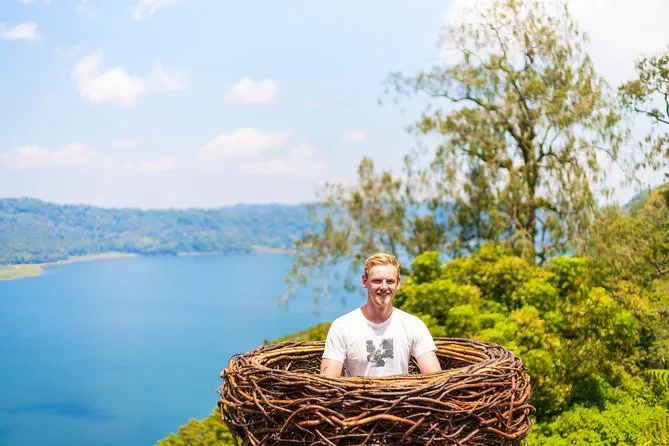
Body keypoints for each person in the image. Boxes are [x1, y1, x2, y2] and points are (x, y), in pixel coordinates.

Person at [320, 252, 442, 377]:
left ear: (398, 283)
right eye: (377, 281)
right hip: (357, 391)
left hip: (401, 390)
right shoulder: (342, 326)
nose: (384, 287)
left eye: (390, 281)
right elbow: (329, 380)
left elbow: (434, 377)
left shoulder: (413, 325)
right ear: (364, 281)